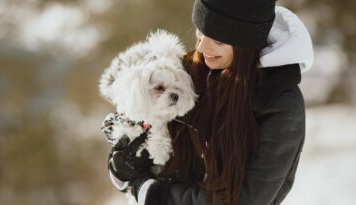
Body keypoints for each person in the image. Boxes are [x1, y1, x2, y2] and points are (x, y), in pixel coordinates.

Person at [107, 0, 314, 204]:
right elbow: (143, 130)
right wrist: (123, 163)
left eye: (218, 41)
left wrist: (153, 194)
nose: (203, 47)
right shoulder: (190, 71)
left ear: (246, 44)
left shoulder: (280, 104)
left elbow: (247, 199)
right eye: (200, 32)